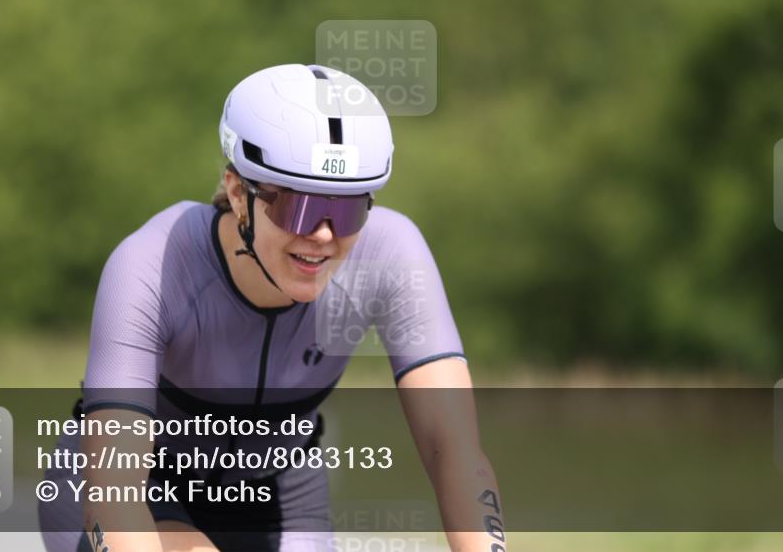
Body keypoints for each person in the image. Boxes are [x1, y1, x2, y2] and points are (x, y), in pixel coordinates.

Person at [38, 64, 503, 552]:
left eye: (347, 211)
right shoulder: (152, 263)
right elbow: (115, 494)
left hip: (279, 493)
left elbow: (453, 450)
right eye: (299, 208)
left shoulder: (392, 251)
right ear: (240, 193)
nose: (323, 235)